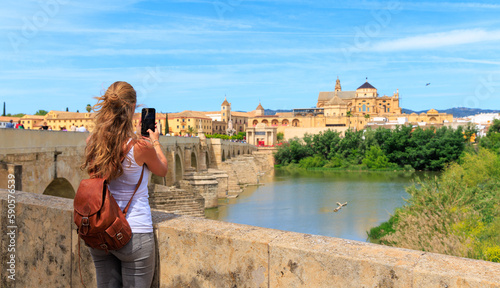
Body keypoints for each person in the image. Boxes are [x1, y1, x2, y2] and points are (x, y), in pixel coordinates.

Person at [81, 81, 167, 288]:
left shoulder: (92, 141)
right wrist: (154, 140)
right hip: (134, 233)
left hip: (100, 229)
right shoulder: (140, 147)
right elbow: (162, 169)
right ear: (133, 108)